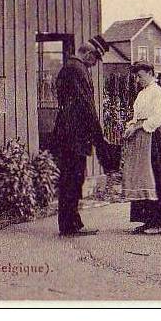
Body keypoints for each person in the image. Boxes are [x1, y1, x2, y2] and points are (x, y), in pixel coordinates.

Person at [52, 35, 113, 237]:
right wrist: (99, 136)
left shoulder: (72, 68)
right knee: (72, 179)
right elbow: (85, 106)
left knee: (73, 178)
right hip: (74, 135)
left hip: (70, 133)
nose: (95, 64)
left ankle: (73, 223)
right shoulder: (77, 70)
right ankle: (69, 226)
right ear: (88, 53)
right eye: (95, 59)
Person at [121, 62, 161, 234]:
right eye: (136, 77)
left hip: (153, 138)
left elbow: (156, 119)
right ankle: (147, 220)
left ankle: (160, 221)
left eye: (141, 76)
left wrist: (137, 127)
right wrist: (130, 125)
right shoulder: (142, 94)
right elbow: (137, 116)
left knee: (156, 176)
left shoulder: (158, 92)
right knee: (142, 177)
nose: (138, 80)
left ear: (150, 73)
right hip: (140, 138)